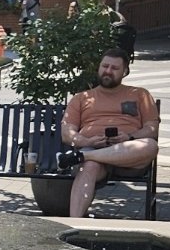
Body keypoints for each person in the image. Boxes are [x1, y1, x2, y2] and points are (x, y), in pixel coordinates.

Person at [56, 48, 160, 218]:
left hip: (129, 155)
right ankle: (74, 225)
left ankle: (83, 156)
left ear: (125, 72)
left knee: (150, 146)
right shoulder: (82, 98)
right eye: (105, 66)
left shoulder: (140, 94)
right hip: (93, 152)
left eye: (114, 68)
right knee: (88, 168)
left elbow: (152, 129)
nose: (108, 71)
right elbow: (67, 133)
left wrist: (130, 137)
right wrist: (88, 142)